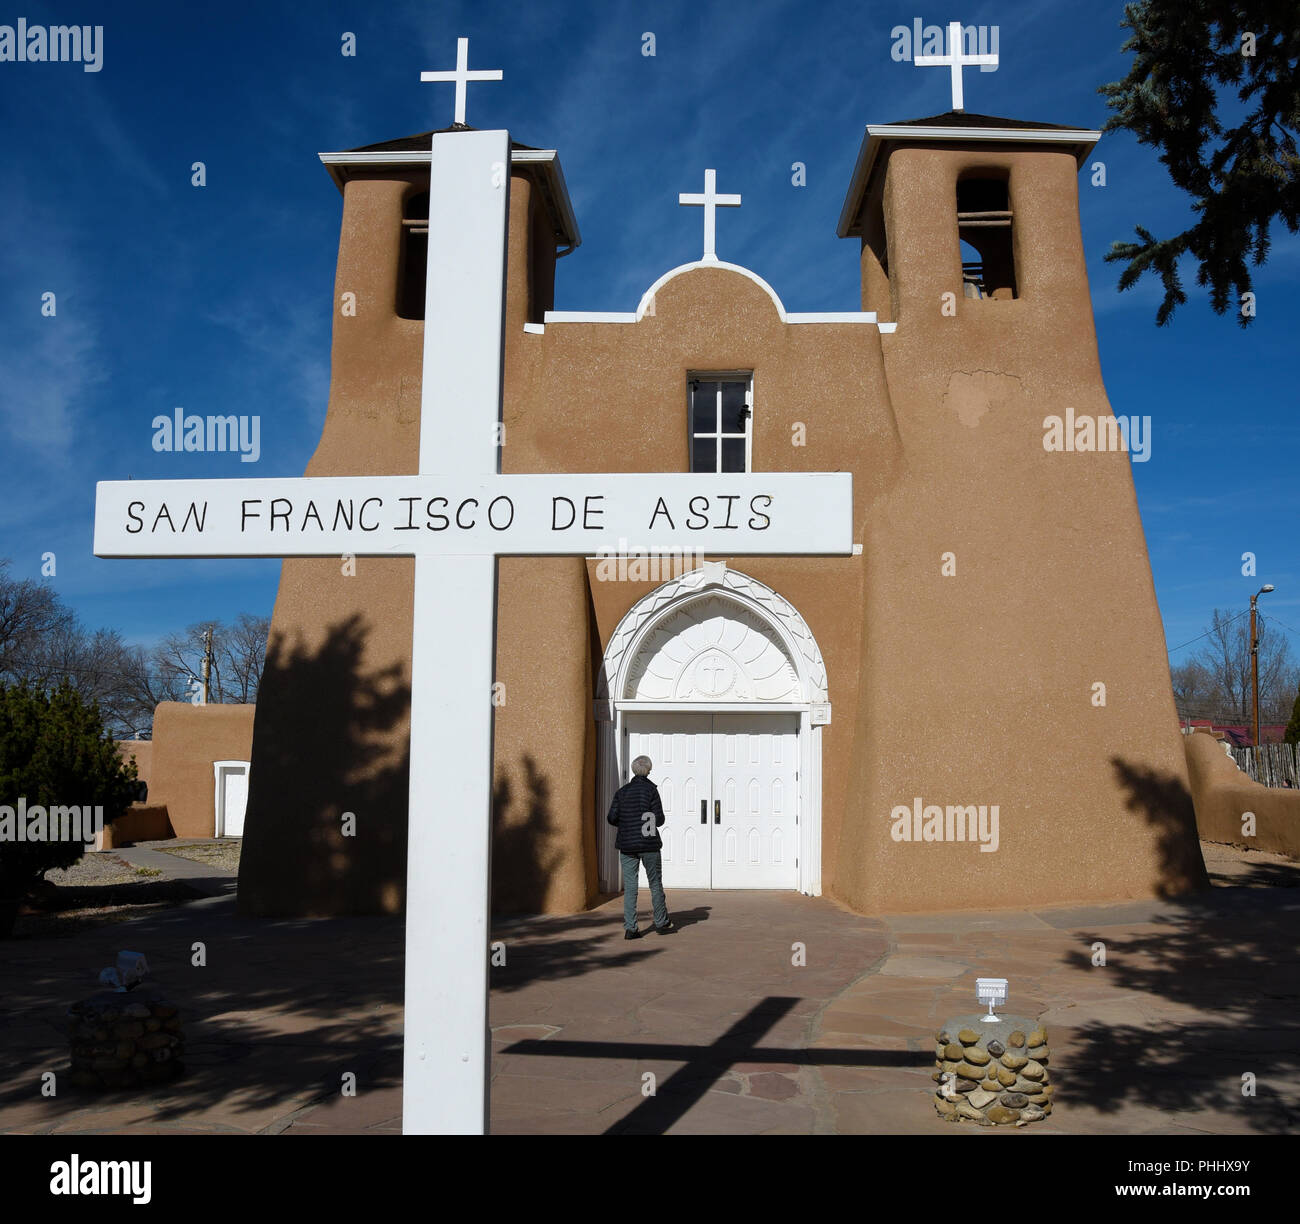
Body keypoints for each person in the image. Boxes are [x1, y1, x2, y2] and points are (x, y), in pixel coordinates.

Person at [606, 755, 675, 939]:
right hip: (650, 844)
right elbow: (659, 819)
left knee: (630, 887)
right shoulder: (651, 791)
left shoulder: (622, 792)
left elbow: (611, 818)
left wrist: (628, 821)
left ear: (634, 770)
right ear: (649, 770)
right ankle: (661, 923)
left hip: (627, 845)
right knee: (655, 884)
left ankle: (631, 928)